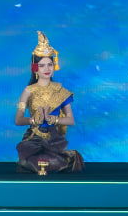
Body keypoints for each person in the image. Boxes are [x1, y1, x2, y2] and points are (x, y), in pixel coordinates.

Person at [14, 31, 83, 173]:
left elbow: (70, 120)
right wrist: (34, 120)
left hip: (53, 140)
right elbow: (18, 120)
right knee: (27, 161)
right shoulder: (28, 91)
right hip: (33, 139)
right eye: (42, 65)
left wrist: (53, 119)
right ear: (35, 68)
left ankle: (63, 160)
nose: (47, 69)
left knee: (53, 161)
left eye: (50, 64)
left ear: (54, 66)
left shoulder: (61, 91)